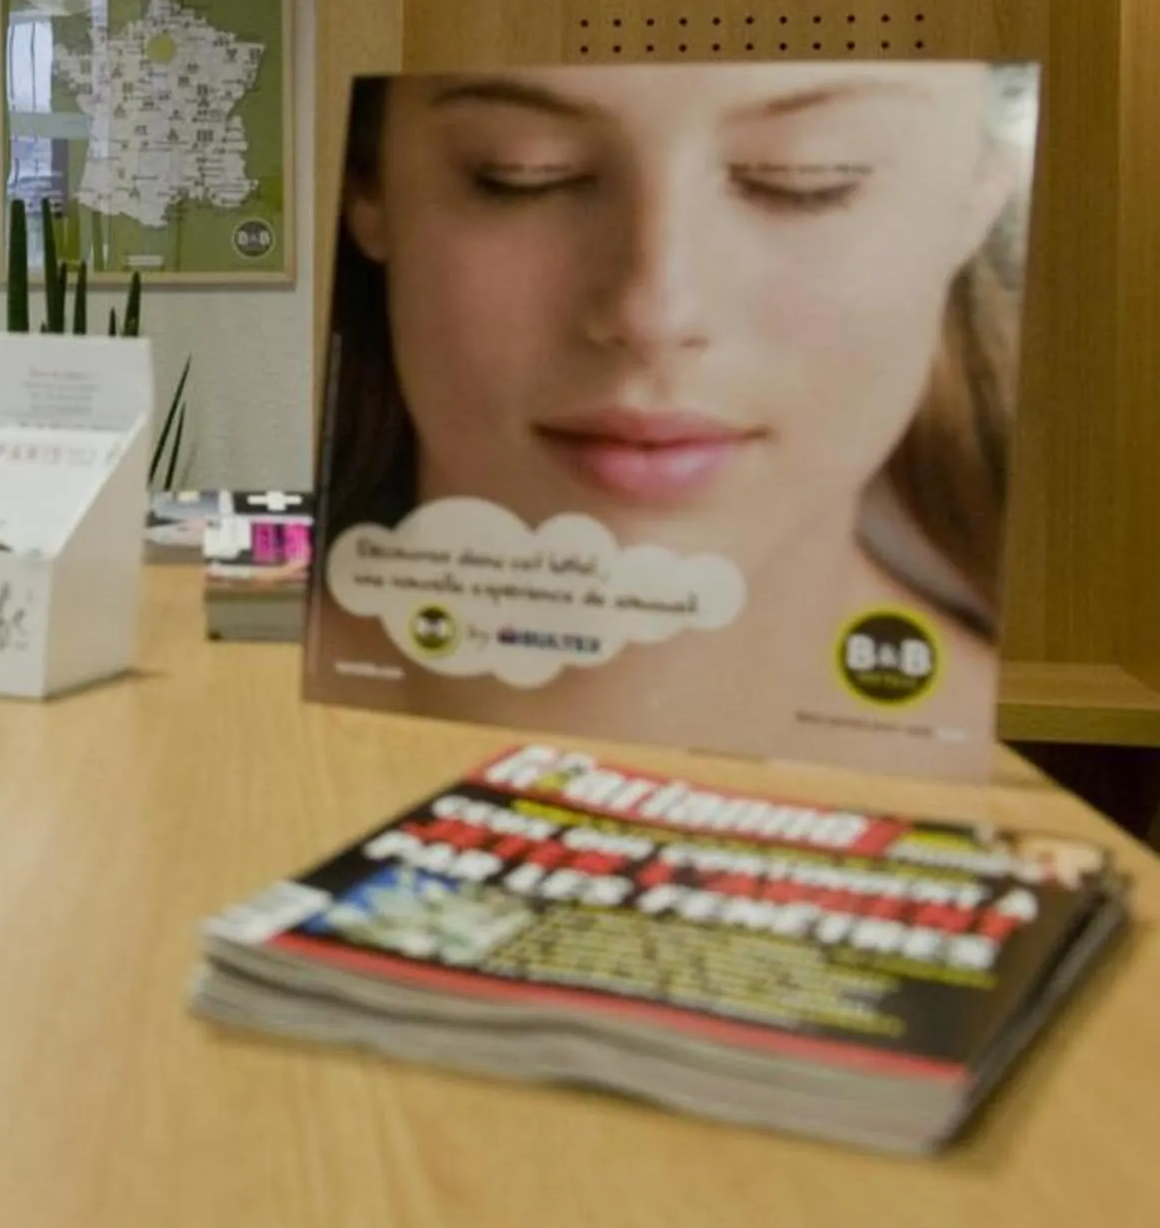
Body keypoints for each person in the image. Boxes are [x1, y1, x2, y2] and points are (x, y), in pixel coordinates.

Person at [315, 62, 1034, 761]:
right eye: (523, 172)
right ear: (369, 189)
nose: (655, 312)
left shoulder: (1065, 780)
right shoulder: (221, 688)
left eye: (808, 179)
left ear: (976, 200)